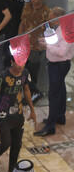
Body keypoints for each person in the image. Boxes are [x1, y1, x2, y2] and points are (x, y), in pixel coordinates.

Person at [0, 58, 36, 172]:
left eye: (22, 63)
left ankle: (11, 171)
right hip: (4, 115)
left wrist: (32, 110)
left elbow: (26, 90)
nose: (20, 66)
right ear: (12, 62)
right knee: (6, 143)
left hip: (18, 114)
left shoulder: (25, 73)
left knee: (17, 145)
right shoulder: (2, 76)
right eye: (18, 63)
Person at [35, 7, 74, 136]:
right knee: (60, 90)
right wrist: (46, 41)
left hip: (59, 65)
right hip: (57, 64)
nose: (49, 18)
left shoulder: (66, 30)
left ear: (57, 18)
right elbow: (57, 43)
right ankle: (59, 116)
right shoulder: (60, 28)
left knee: (54, 94)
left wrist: (47, 46)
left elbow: (62, 52)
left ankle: (50, 126)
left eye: (51, 16)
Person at [18, 0, 50, 100]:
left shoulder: (46, 12)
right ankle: (27, 91)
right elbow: (22, 23)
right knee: (23, 69)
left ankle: (34, 93)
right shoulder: (27, 7)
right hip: (25, 44)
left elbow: (48, 29)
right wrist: (19, 38)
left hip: (37, 47)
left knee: (33, 71)